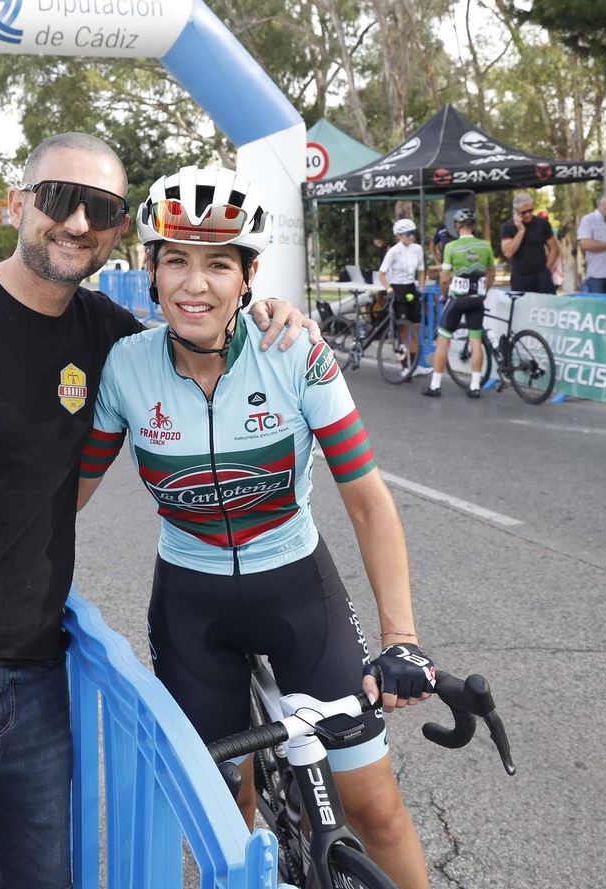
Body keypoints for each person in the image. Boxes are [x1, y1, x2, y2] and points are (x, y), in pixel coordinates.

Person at [0, 134, 317, 888]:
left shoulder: (107, 335)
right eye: (58, 199)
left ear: (117, 229)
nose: (76, 223)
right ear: (17, 204)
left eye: (99, 209)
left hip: (36, 681)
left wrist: (274, 318)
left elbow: (199, 334)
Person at [78, 164, 437, 889]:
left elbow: (368, 502)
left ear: (248, 277)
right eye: (176, 260)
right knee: (226, 818)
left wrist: (401, 635)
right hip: (193, 609)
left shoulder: (294, 352)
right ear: (150, 270)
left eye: (219, 264)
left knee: (377, 810)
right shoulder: (126, 368)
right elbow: (68, 496)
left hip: (299, 594)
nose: (195, 284)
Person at [424, 208, 494, 398]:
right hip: (477, 299)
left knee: (443, 340)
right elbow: (491, 273)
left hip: (457, 299)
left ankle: (435, 385)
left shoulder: (451, 247)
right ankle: (475, 386)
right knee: (476, 341)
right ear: (474, 226)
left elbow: (444, 278)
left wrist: (444, 295)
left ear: (457, 226)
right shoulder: (485, 246)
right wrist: (484, 292)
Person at [374, 217, 425, 378]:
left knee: (416, 328)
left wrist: (421, 288)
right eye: (408, 234)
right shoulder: (393, 251)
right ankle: (404, 367)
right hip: (397, 288)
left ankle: (414, 366)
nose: (411, 236)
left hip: (411, 287)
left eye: (413, 233)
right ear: (399, 236)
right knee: (403, 330)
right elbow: (381, 274)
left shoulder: (418, 249)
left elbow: (421, 270)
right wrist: (389, 289)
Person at [500, 192, 560, 293]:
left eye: (530, 211)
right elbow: (508, 252)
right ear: (516, 212)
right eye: (524, 212)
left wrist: (547, 269)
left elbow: (554, 247)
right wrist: (521, 231)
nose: (528, 214)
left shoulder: (542, 224)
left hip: (542, 276)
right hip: (521, 277)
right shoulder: (508, 227)